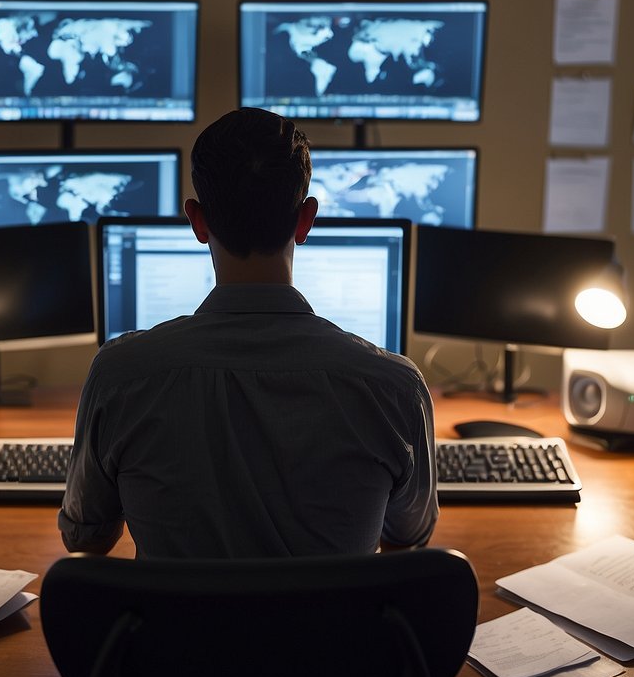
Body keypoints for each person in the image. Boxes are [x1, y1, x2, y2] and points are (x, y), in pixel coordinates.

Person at [58, 108, 437, 558]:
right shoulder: (394, 386)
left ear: (197, 221)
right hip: (334, 630)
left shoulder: (120, 375)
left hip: (176, 630)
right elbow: (408, 536)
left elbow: (87, 540)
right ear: (306, 220)